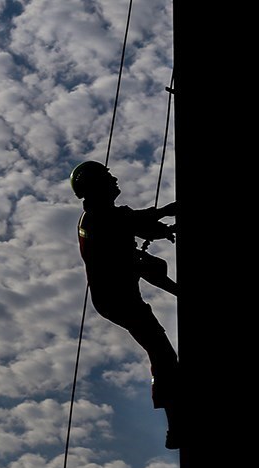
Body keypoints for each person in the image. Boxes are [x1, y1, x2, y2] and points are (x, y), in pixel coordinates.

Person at [69, 160, 182, 449]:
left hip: (117, 293)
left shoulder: (106, 216)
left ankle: (177, 420)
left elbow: (136, 224)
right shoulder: (96, 219)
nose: (115, 179)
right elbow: (130, 223)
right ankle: (177, 424)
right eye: (108, 177)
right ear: (96, 187)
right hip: (115, 298)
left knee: (160, 347)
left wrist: (163, 227)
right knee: (162, 352)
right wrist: (168, 212)